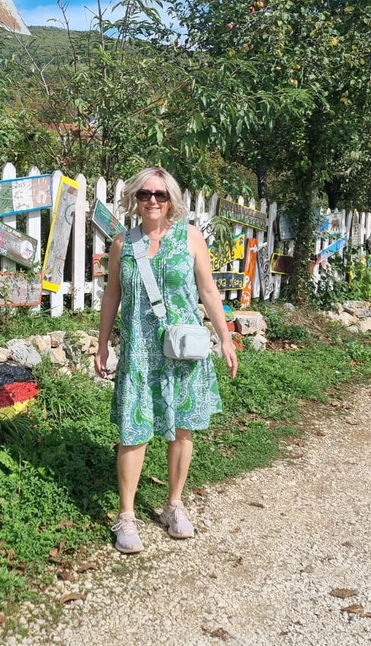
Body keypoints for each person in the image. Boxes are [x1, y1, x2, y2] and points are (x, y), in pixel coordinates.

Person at [95, 167, 238, 554]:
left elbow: (208, 290)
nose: (152, 201)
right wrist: (103, 342)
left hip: (182, 349)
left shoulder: (189, 237)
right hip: (139, 351)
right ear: (134, 200)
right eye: (145, 194)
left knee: (181, 429)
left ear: (171, 199)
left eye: (160, 194)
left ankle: (174, 505)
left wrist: (225, 337)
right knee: (133, 428)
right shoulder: (123, 244)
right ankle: (126, 515)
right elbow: (112, 295)